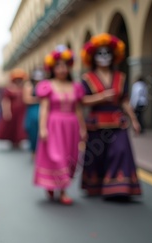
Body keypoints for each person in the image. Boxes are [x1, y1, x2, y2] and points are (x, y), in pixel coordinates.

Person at [80, 33, 142, 199]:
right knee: (97, 156)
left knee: (121, 150)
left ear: (114, 56)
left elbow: (124, 101)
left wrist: (134, 120)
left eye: (107, 53)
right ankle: (96, 185)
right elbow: (82, 101)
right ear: (93, 57)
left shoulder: (121, 77)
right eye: (100, 53)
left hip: (117, 121)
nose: (104, 56)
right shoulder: (87, 78)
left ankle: (118, 188)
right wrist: (101, 97)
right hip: (96, 122)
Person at [33, 46, 87, 205]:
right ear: (52, 68)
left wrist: (83, 127)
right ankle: (58, 188)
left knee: (70, 157)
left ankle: (60, 187)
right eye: (58, 66)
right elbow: (44, 109)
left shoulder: (75, 86)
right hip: (54, 125)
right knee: (57, 157)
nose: (62, 69)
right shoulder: (47, 86)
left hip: (72, 126)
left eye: (64, 65)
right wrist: (43, 128)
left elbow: (78, 109)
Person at [0, 68, 27, 148]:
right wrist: (6, 111)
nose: (18, 80)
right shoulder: (10, 88)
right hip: (13, 111)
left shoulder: (23, 87)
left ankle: (18, 141)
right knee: (12, 126)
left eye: (20, 79)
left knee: (20, 126)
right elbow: (6, 101)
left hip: (22, 111)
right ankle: (13, 141)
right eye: (17, 79)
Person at [23, 67, 45, 158]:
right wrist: (40, 100)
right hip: (33, 110)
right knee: (33, 131)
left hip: (43, 109)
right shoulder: (29, 85)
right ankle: (34, 151)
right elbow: (26, 99)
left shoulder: (45, 84)